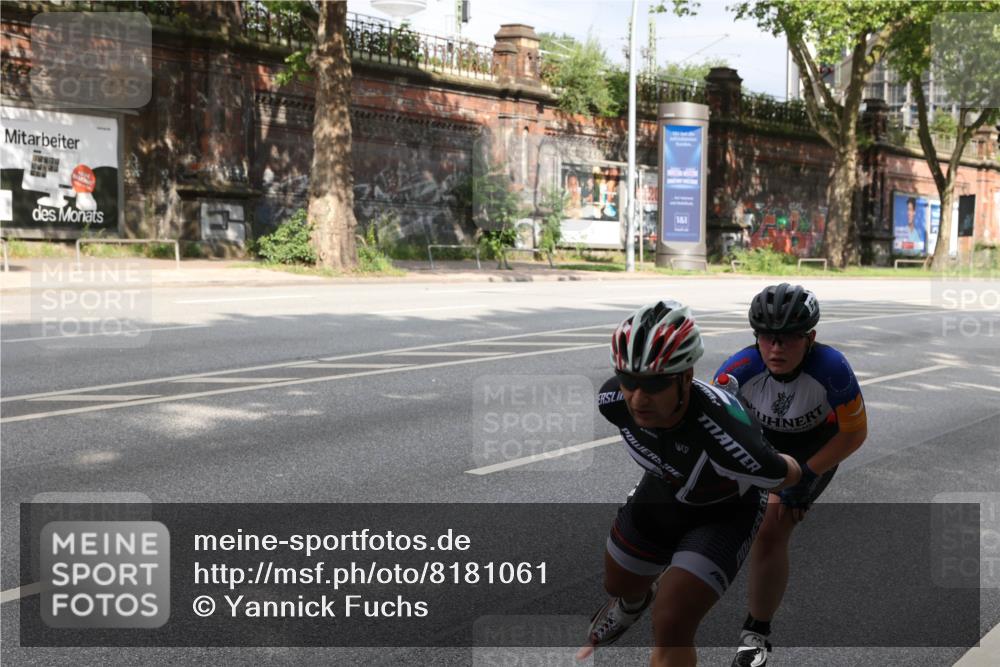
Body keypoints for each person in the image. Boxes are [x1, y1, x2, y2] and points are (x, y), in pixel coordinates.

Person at [578, 300, 803, 667]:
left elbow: (788, 474)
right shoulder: (612, 401)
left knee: (672, 622)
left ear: (686, 376)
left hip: (725, 513)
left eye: (655, 384)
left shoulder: (732, 442)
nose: (638, 397)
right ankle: (632, 603)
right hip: (663, 493)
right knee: (618, 585)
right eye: (629, 379)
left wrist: (774, 458)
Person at [715, 284, 868, 667]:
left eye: (788, 339)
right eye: (767, 337)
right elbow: (712, 430)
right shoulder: (737, 371)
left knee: (772, 527)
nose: (776, 348)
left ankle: (755, 635)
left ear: (810, 338)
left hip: (815, 448)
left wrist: (807, 475)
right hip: (762, 443)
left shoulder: (832, 369)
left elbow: (854, 433)